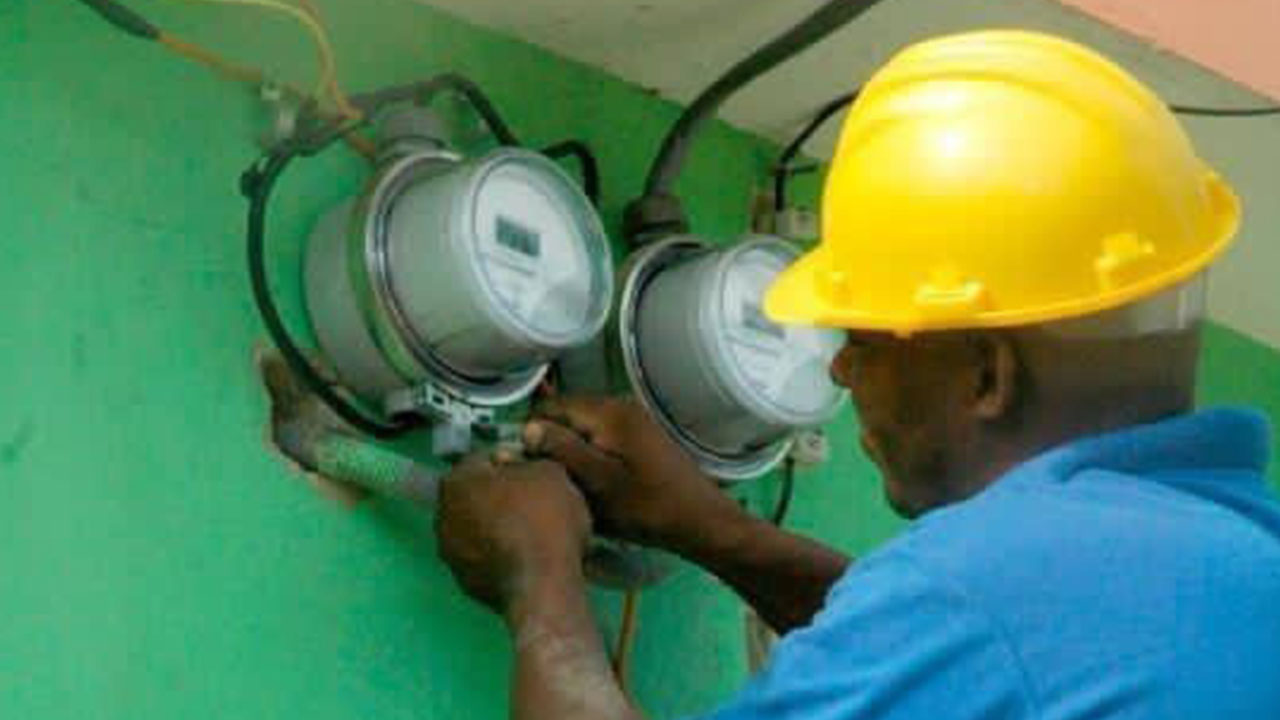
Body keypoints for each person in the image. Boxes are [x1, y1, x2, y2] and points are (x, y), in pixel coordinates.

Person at [433, 30, 1280, 719]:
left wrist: (537, 583)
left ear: (986, 376)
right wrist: (715, 530)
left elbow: (960, 627)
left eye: (865, 339)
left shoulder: (983, 591)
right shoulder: (1236, 564)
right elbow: (962, 661)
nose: (840, 367)